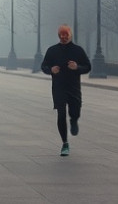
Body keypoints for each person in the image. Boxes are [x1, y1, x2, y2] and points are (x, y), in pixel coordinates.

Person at [40, 24, 91, 157]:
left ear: (70, 35)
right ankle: (65, 143)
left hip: (73, 87)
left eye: (65, 35)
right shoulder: (52, 51)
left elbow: (88, 66)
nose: (63, 37)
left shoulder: (78, 50)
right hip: (58, 87)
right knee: (61, 114)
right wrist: (51, 70)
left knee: (75, 111)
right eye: (61, 35)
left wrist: (77, 67)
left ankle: (74, 120)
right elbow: (44, 65)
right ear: (58, 35)